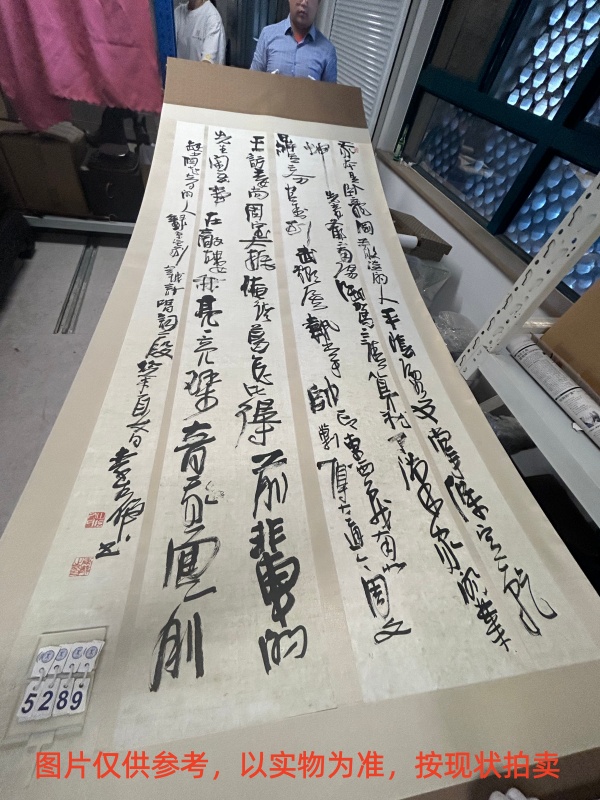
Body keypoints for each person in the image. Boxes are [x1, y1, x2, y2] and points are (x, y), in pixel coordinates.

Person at [250, 0, 337, 82]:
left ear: (318, 4)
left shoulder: (328, 51)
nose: (304, 2)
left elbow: (330, 92)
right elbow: (252, 81)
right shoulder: (267, 35)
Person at [175, 0, 226, 64]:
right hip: (179, 69)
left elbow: (207, 61)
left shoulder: (212, 18)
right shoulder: (178, 13)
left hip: (202, 70)